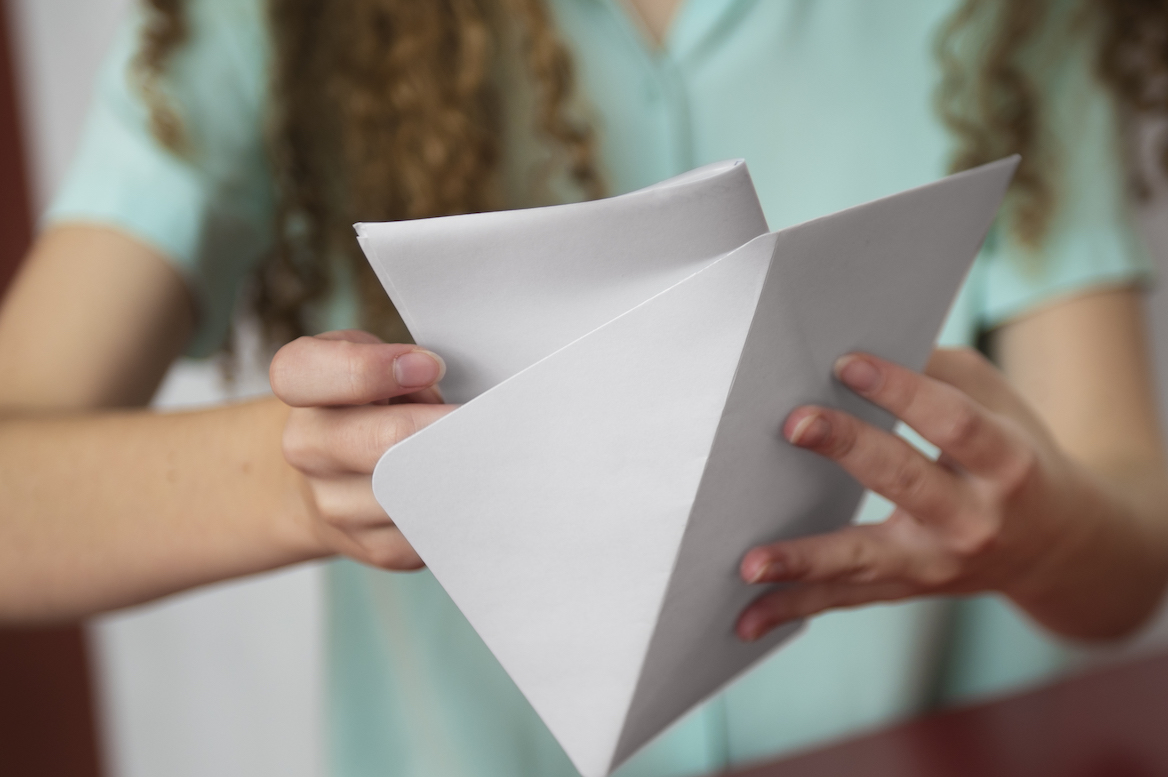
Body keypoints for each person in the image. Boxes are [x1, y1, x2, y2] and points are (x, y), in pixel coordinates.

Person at [1, 0, 1167, 775]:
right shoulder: (278, 23)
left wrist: (1040, 533)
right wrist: (310, 481)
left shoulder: (1002, 17)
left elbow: (1126, 550)